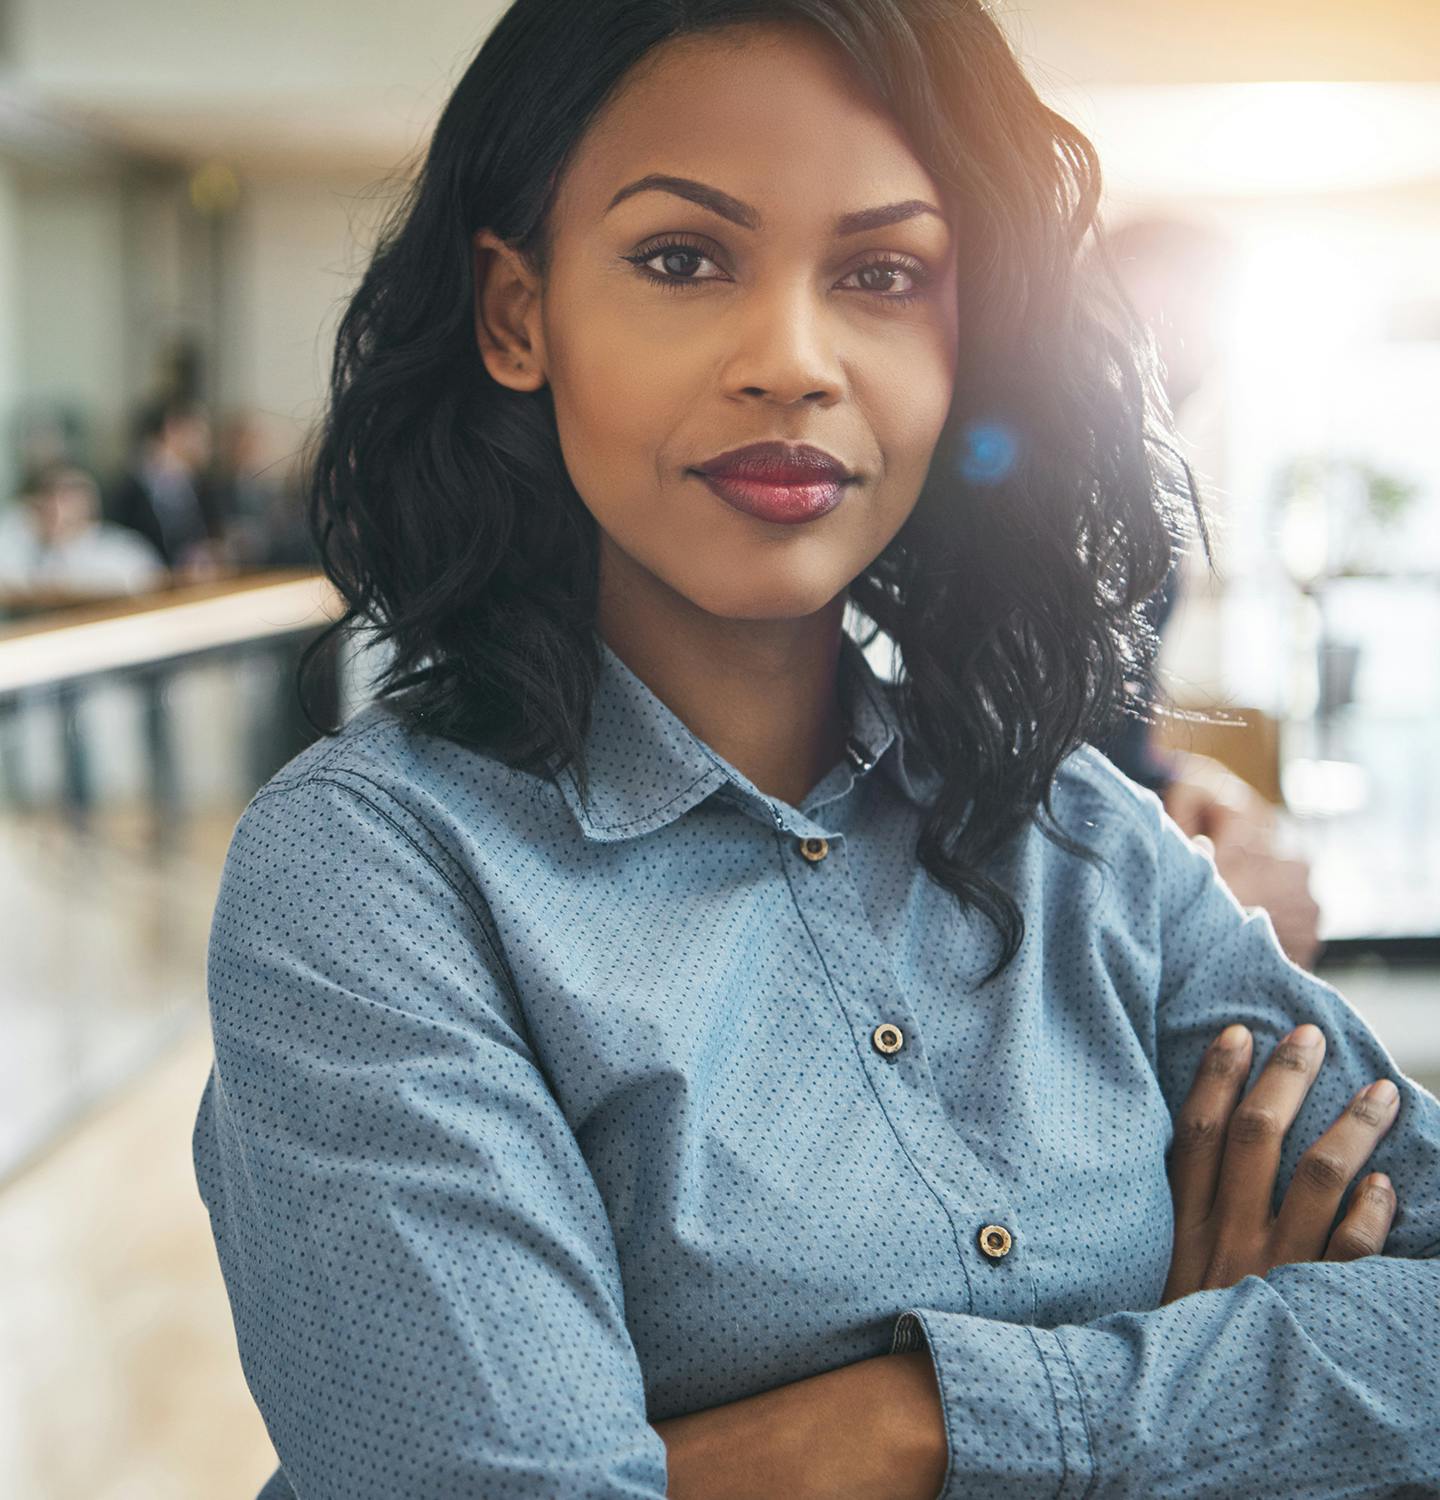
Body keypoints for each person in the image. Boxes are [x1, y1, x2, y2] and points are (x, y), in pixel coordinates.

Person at [192, 4, 1440, 1497]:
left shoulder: (1077, 835)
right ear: (517, 315)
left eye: (883, 274)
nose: (792, 361)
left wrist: (902, 1427)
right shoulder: (373, 880)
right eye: (681, 260)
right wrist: (1191, 1373)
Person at [1091, 217, 1322, 969]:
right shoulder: (1044, 489)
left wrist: (1182, 780)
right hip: (1072, 876)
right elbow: (1011, 754)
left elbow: (1108, 725)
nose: (1182, 346)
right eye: (1158, 318)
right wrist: (1188, 882)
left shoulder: (1155, 485)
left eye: (1201, 321)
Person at [0, 462, 165, 597]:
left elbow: (151, 590)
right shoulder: (36, 550)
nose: (55, 509)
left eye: (65, 498)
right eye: (48, 499)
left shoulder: (123, 550)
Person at [105, 394, 222, 578]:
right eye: (199, 431)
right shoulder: (128, 491)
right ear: (172, 429)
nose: (206, 441)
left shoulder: (201, 486)